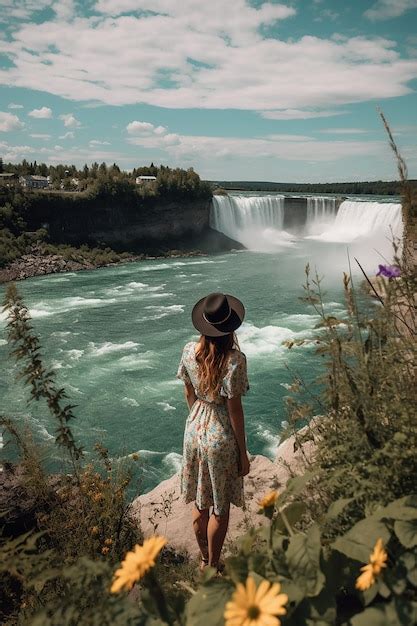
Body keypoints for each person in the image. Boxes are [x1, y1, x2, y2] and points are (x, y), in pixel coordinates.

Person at [176, 292, 250, 572]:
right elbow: (234, 410)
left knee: (200, 499)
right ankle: (215, 565)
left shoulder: (187, 351)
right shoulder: (234, 361)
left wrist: (198, 420)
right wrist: (242, 453)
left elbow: (188, 391)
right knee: (220, 505)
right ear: (230, 328)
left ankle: (204, 558)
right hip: (220, 433)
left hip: (195, 425)